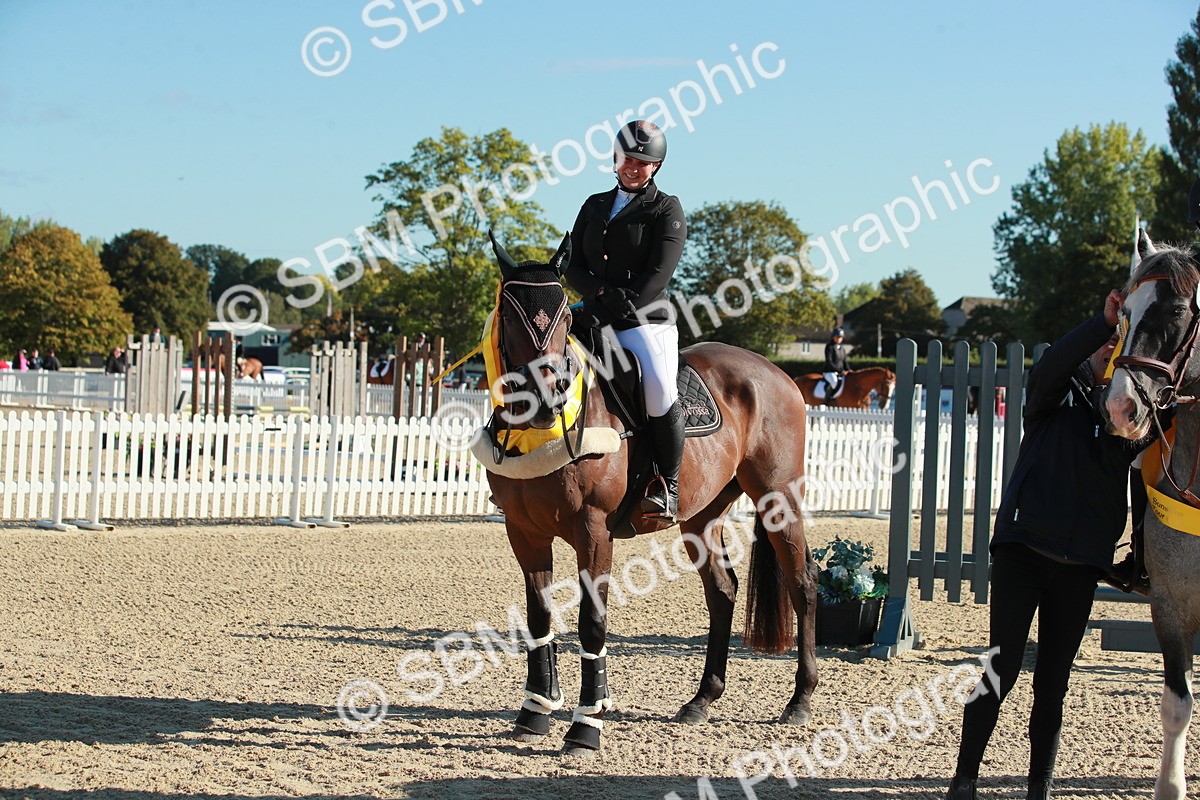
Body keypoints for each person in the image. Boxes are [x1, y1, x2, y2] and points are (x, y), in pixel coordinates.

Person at [945, 291, 1158, 800]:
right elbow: (1052, 365)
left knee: (1054, 682)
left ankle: (1039, 786)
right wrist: (1100, 326)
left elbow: (1154, 467)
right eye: (1103, 349)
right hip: (1023, 552)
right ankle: (964, 779)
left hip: (1080, 564)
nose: (1109, 354)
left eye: (1117, 350)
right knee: (1003, 666)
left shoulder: (1126, 424)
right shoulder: (1050, 398)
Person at [565, 119, 687, 521]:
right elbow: (572, 264)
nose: (633, 167)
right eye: (626, 159)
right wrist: (599, 295)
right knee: (542, 362)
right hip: (595, 314)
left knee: (658, 387)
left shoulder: (665, 208)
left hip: (646, 321)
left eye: (642, 162)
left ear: (655, 167)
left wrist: (625, 304)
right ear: (614, 160)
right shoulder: (594, 204)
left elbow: (660, 273)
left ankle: (666, 487)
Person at [821, 327, 850, 401]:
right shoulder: (829, 347)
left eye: (840, 337)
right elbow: (829, 361)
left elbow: (844, 361)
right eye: (837, 337)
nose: (838, 339)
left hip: (839, 372)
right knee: (834, 382)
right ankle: (828, 400)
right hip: (829, 372)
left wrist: (849, 370)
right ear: (833, 337)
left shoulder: (842, 348)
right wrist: (840, 371)